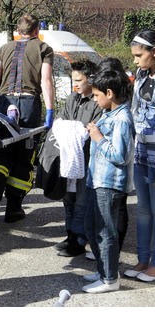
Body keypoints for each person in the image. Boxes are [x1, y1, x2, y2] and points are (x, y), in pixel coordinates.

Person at [0, 13, 55, 225]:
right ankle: (13, 208)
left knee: (1, 149)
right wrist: (49, 111)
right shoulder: (44, 48)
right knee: (24, 156)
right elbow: (46, 80)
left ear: (17, 31)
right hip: (29, 105)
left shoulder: (5, 48)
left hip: (4, 104)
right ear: (36, 30)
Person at [81, 67, 134, 294]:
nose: (94, 99)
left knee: (105, 232)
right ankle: (104, 271)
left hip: (110, 184)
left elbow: (120, 156)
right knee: (91, 227)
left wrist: (98, 137)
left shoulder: (122, 118)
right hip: (97, 180)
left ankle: (110, 279)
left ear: (109, 93)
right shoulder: (109, 113)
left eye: (96, 95)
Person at [53, 60, 102, 257]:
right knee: (68, 198)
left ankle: (79, 239)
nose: (75, 84)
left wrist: (74, 129)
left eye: (79, 80)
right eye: (73, 80)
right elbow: (61, 121)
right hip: (69, 157)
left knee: (82, 200)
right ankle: (70, 234)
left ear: (90, 79)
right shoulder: (72, 98)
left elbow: (92, 130)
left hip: (87, 158)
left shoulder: (97, 102)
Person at [124, 30, 155, 282]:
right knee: (143, 210)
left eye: (139, 55)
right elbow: (134, 111)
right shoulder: (142, 76)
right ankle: (143, 259)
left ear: (153, 52)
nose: (135, 60)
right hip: (142, 154)